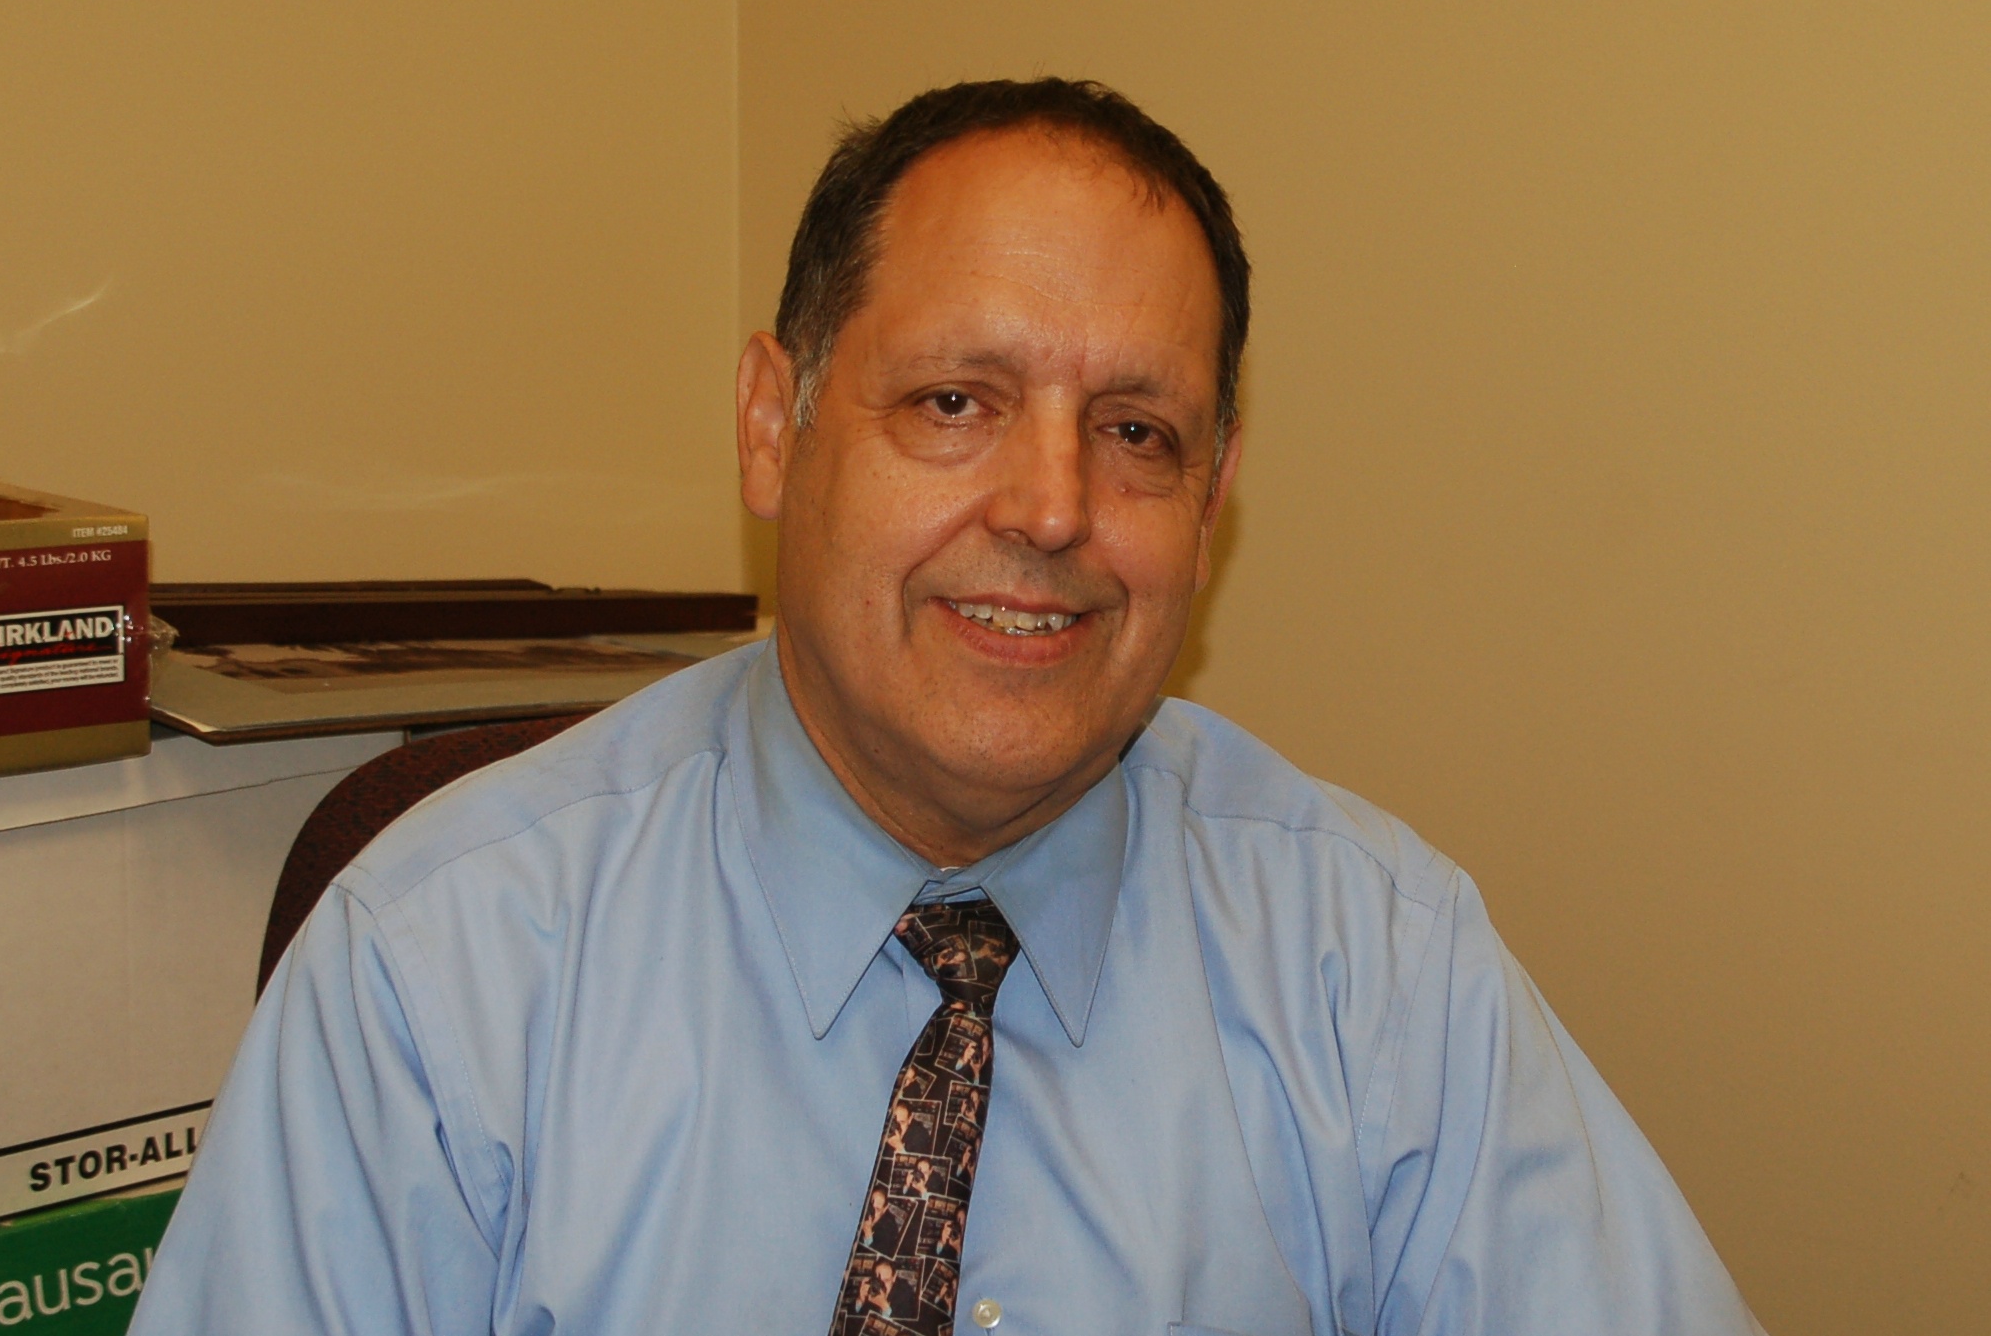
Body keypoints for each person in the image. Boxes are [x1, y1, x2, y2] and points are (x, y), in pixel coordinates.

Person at [130, 78, 1764, 1335]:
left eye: (1137, 432)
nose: (1052, 508)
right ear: (772, 427)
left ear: (1213, 498)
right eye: (956, 400)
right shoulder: (439, 972)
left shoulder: (1377, 970)